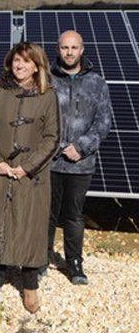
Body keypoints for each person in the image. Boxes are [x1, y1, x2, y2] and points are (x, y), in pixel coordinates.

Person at [0, 42, 60, 314]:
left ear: (37, 65)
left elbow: (52, 137)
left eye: (26, 61)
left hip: (31, 176)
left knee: (29, 229)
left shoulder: (47, 95)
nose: (20, 65)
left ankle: (29, 285)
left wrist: (28, 166)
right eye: (16, 60)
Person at [47, 30, 111, 285]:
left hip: (81, 163)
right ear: (58, 49)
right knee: (46, 214)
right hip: (50, 161)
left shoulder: (97, 83)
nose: (69, 52)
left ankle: (74, 263)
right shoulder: (48, 80)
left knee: (73, 215)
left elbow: (103, 122)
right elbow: (40, 118)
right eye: (65, 47)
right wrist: (54, 146)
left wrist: (81, 147)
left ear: (82, 50)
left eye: (74, 47)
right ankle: (40, 260)